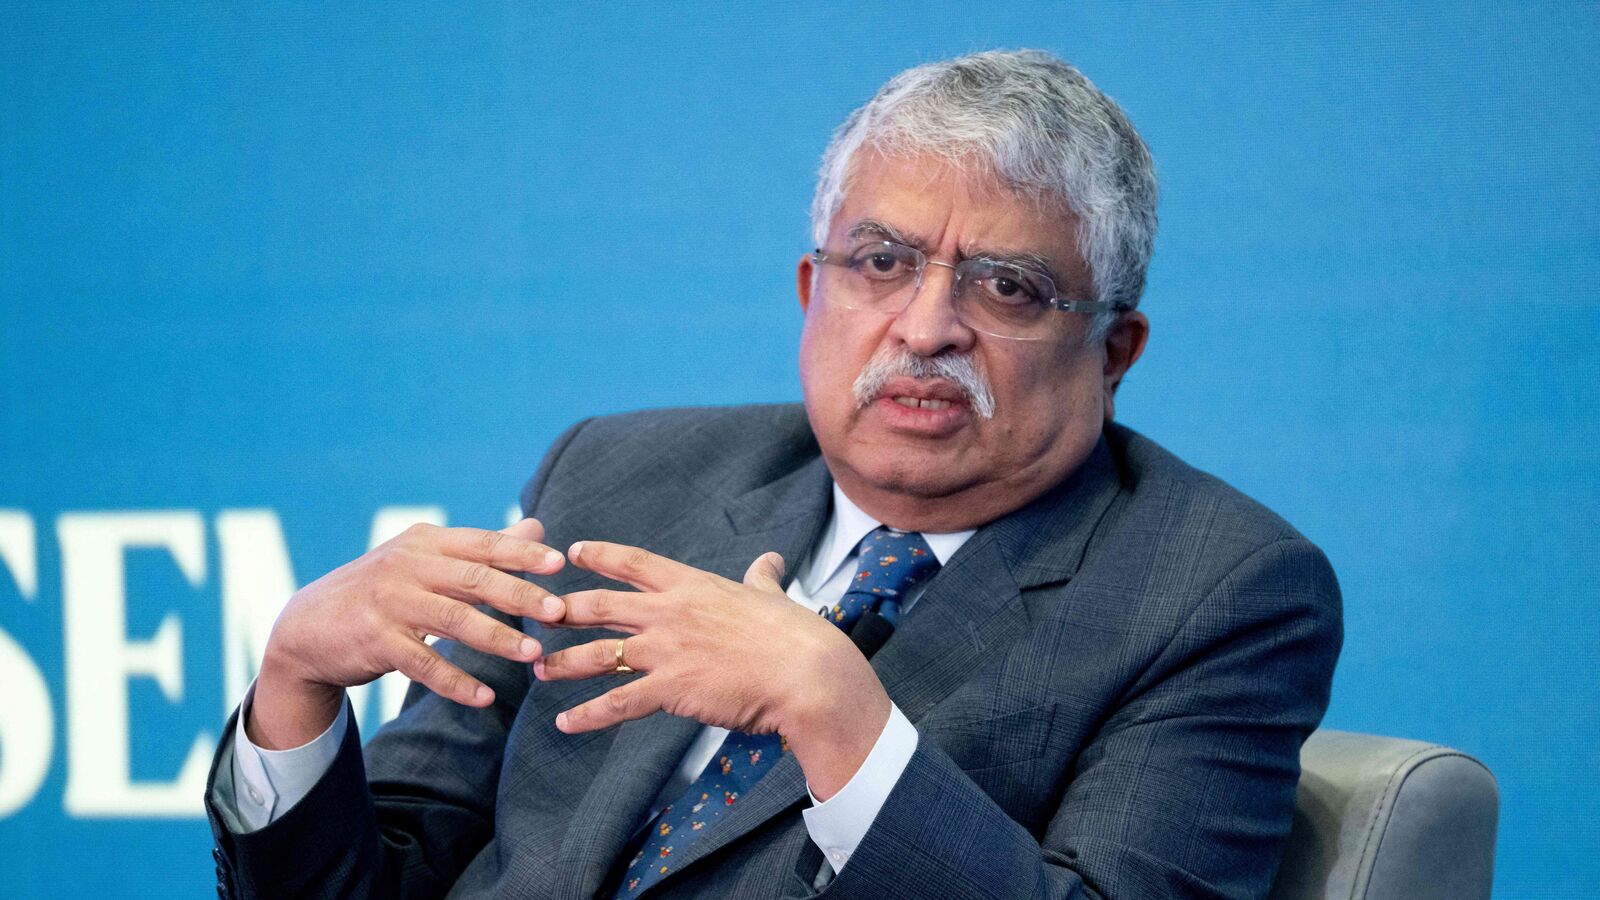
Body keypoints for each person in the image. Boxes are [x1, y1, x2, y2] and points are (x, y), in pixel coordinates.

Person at [205, 49, 1341, 899]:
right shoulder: (618, 477)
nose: (925, 327)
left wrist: (841, 722)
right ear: (812, 292)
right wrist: (293, 692)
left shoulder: (1217, 592)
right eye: (882, 262)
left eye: (1007, 287)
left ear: (1114, 351)